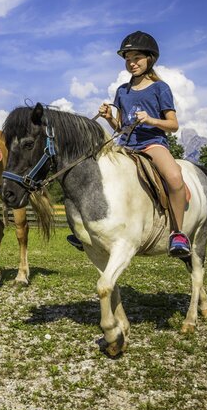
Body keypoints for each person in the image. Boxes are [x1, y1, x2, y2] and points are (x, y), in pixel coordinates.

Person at [68, 31, 191, 258]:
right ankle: (87, 230)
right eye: (128, 59)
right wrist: (108, 118)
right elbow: (121, 127)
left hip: (152, 144)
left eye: (137, 58)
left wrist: (151, 119)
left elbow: (173, 125)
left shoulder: (160, 88)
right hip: (125, 146)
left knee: (174, 177)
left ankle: (178, 233)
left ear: (149, 59)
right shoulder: (121, 91)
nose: (132, 63)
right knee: (92, 174)